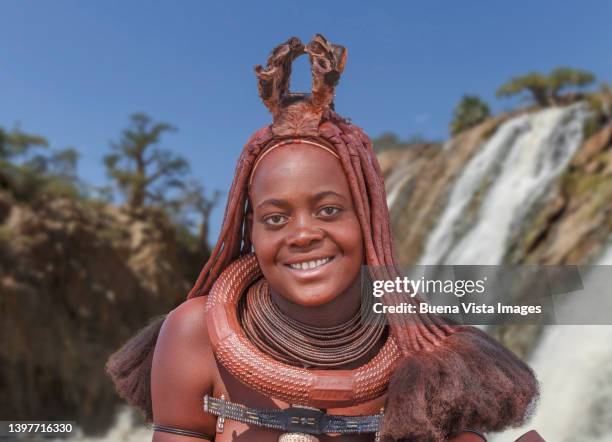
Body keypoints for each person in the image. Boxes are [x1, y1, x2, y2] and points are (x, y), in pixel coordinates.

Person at [107, 35, 542, 442]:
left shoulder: (430, 358)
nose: (303, 235)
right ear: (251, 231)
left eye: (329, 210)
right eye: (275, 218)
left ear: (367, 219)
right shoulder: (194, 334)